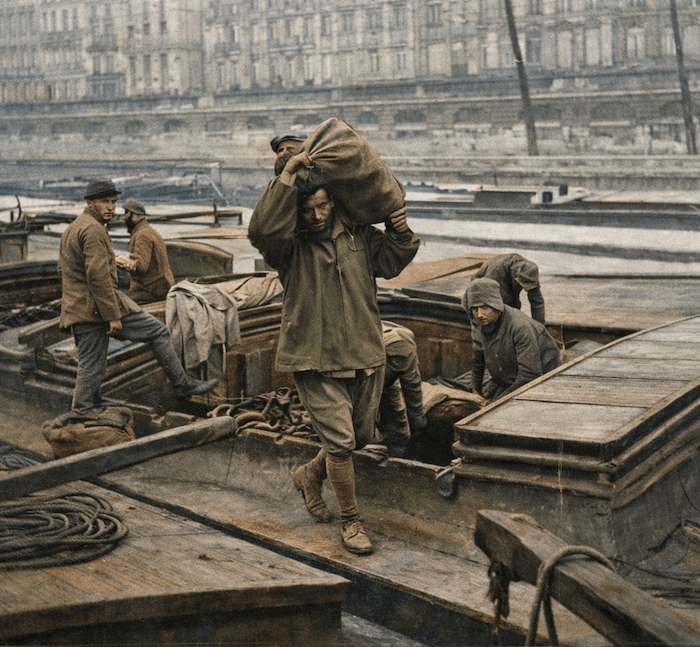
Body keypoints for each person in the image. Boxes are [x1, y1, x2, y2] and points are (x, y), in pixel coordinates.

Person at [248, 152, 419, 555]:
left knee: (359, 437)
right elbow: (261, 230)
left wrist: (400, 232)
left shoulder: (358, 235)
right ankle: (351, 521)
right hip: (313, 357)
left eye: (323, 206)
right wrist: (290, 173)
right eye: (308, 209)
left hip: (362, 350)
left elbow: (391, 262)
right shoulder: (287, 246)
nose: (317, 215)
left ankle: (309, 475)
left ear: (333, 201)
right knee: (341, 444)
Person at [58, 179, 219, 413]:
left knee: (91, 362)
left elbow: (62, 271)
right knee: (156, 333)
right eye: (104, 201)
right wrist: (112, 316)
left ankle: (93, 404)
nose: (111, 207)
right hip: (96, 310)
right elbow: (98, 277)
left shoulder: (73, 229)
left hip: (80, 308)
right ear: (89, 202)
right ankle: (83, 411)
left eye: (113, 201)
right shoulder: (93, 230)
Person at [465, 277, 561, 402]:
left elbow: (529, 376)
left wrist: (497, 402)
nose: (479, 314)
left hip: (542, 380)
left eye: (484, 307)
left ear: (496, 305)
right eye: (475, 309)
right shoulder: (481, 323)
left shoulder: (520, 327)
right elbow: (478, 356)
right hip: (506, 378)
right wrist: (475, 388)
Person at [375, 321, 427, 458]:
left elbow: (413, 388)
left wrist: (418, 423)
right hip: (361, 375)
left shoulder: (405, 347)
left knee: (399, 430)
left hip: (387, 381)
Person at [116, 198, 175, 304]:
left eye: (126, 212)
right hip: (160, 286)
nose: (124, 217)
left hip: (152, 290)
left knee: (118, 304)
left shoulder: (141, 235)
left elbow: (141, 266)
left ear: (135, 215)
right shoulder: (148, 231)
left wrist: (120, 262)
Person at [467, 253, 545, 323]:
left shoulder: (528, 270)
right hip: (483, 284)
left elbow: (536, 300)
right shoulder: (496, 275)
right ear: (516, 276)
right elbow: (498, 304)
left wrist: (540, 327)